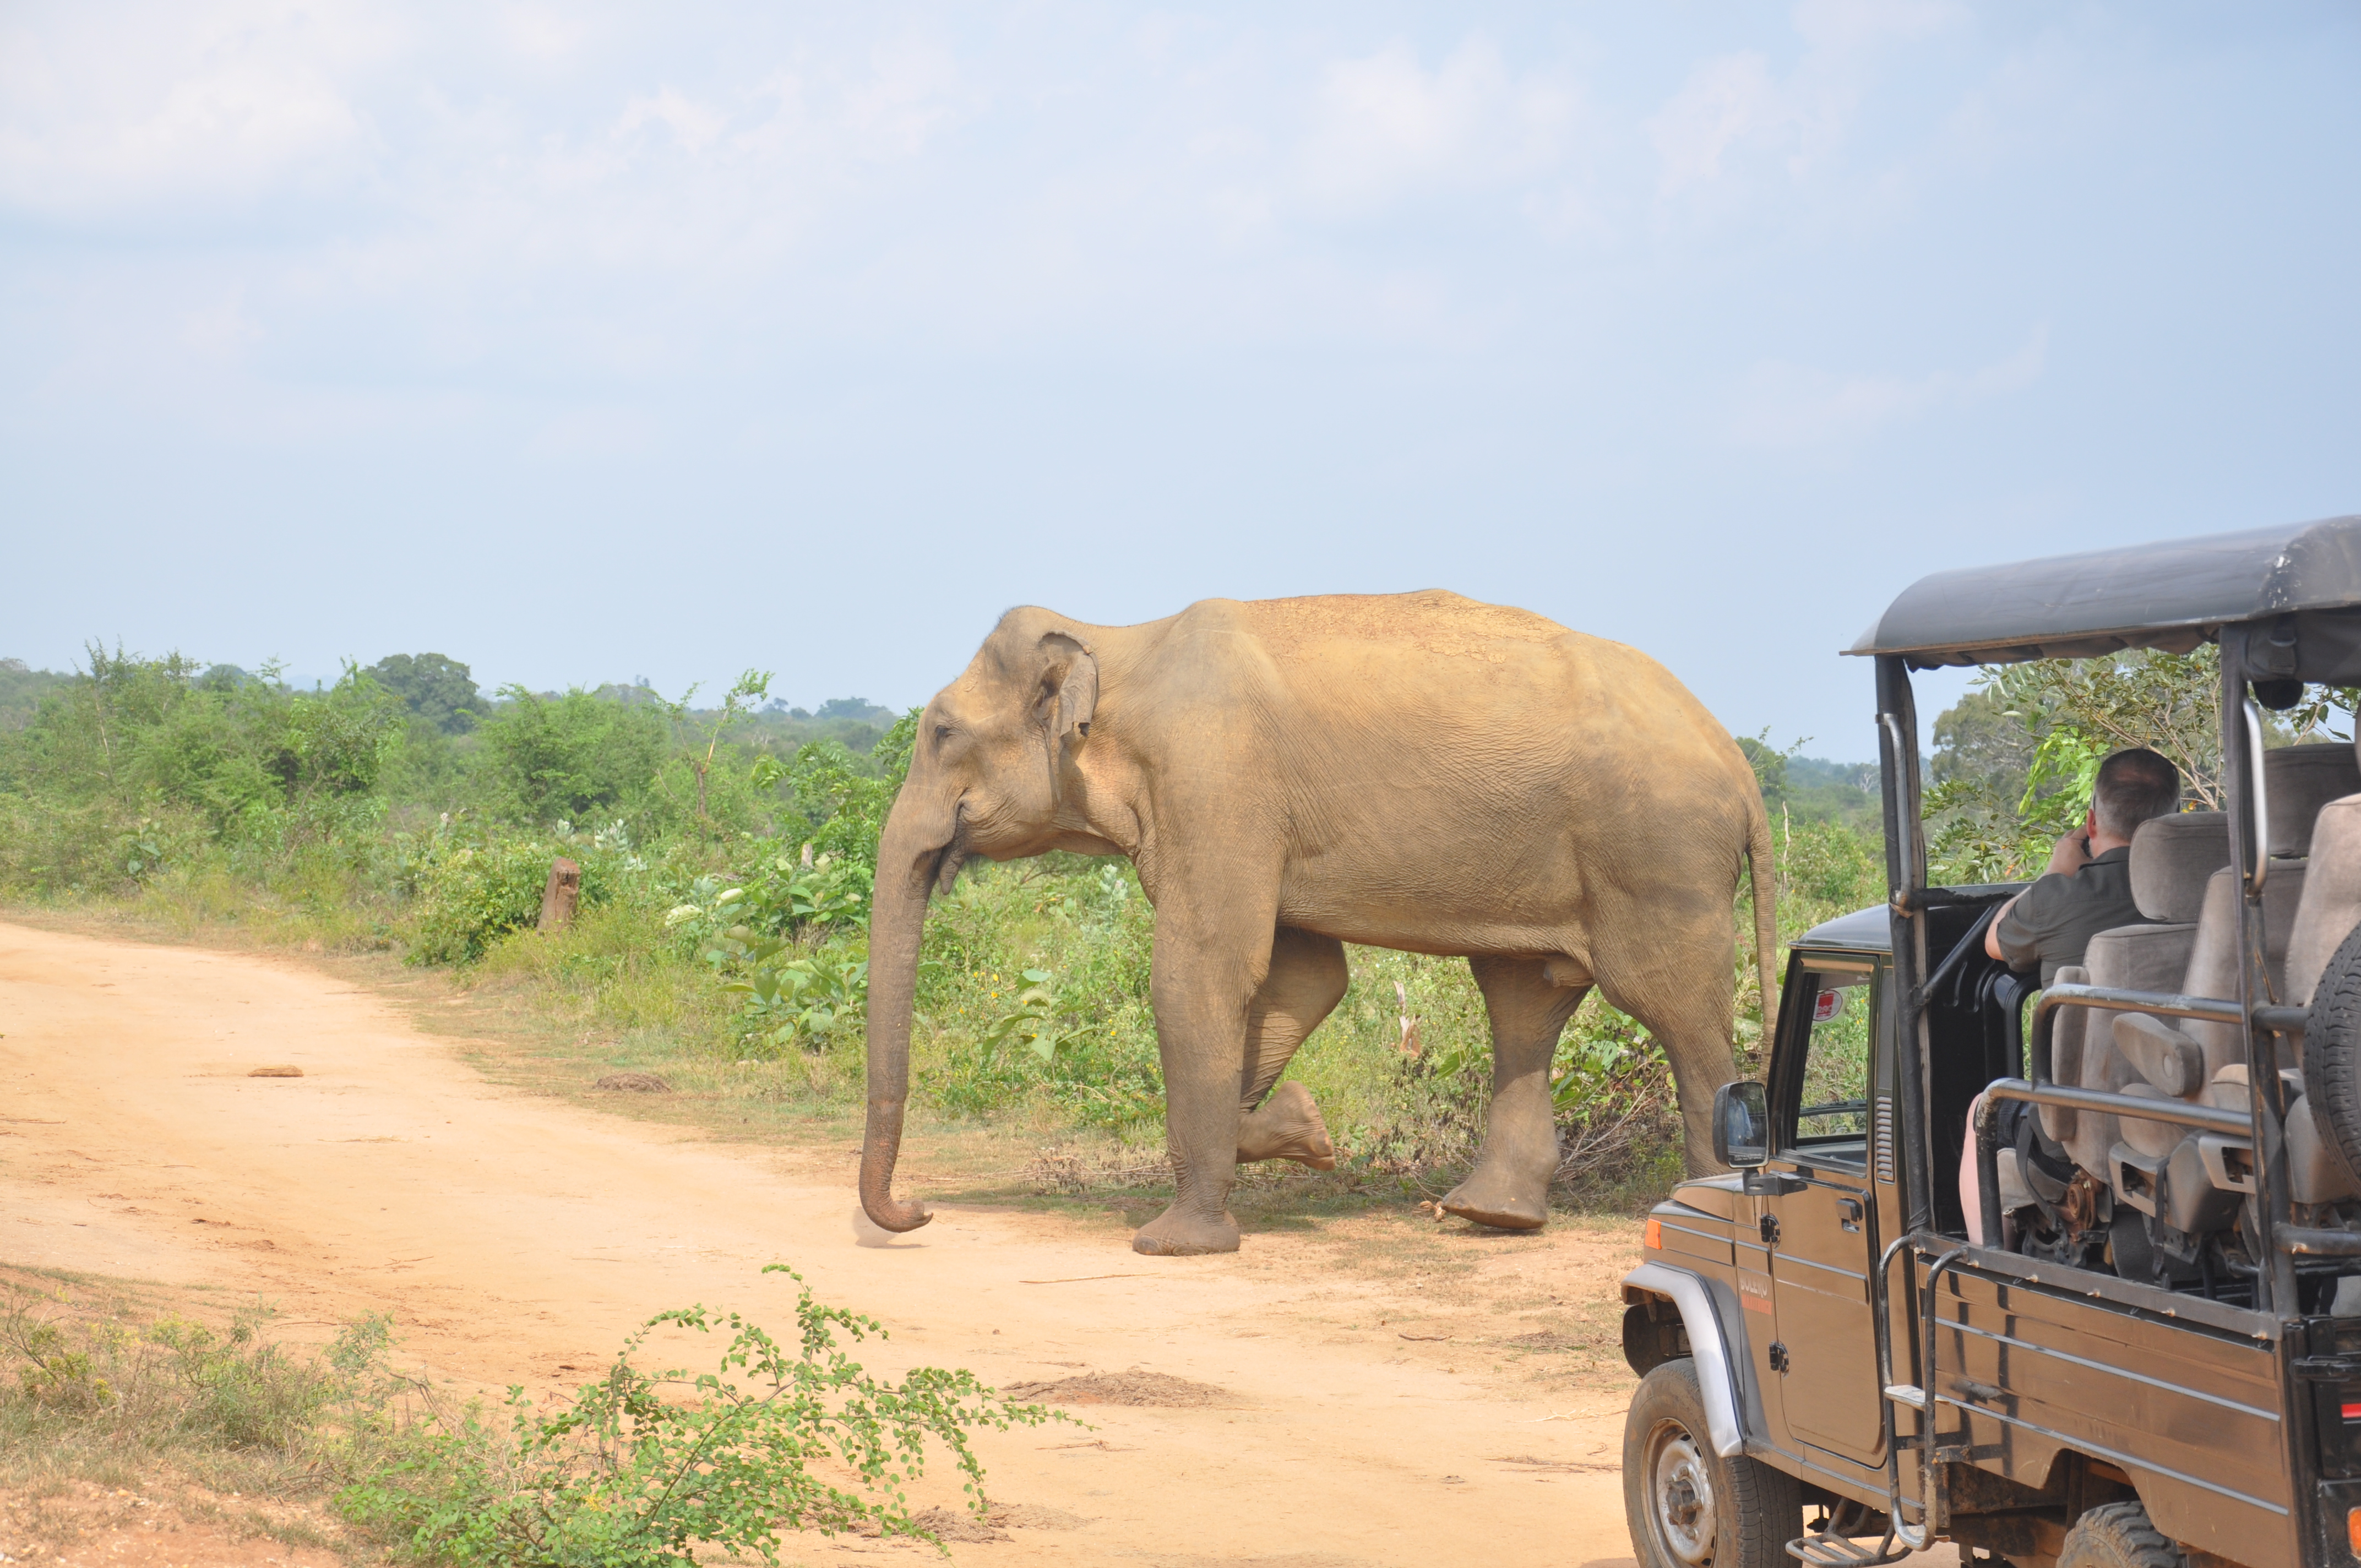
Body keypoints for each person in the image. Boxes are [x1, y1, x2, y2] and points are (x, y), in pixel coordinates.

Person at [1982, 747, 2183, 985]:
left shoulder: (2052, 900)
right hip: (2188, 1024)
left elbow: (1994, 943)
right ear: (2176, 818)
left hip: (2087, 1025)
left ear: (2091, 822)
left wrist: (2055, 871)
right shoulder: (2212, 894)